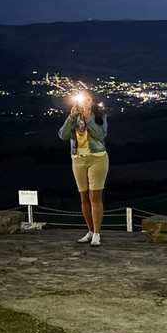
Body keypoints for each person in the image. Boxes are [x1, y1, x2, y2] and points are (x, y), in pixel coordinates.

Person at [58, 89, 109, 246]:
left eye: (87, 100)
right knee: (84, 197)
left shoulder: (99, 116)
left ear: (92, 102)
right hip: (78, 160)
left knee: (95, 197)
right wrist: (70, 117)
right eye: (82, 100)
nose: (84, 103)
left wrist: (89, 120)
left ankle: (97, 234)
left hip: (97, 158)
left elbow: (101, 135)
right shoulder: (74, 118)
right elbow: (62, 135)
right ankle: (90, 231)